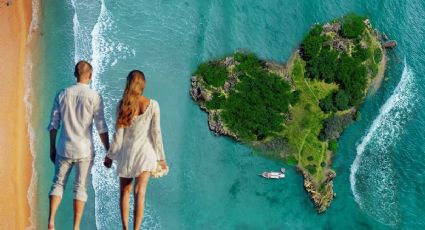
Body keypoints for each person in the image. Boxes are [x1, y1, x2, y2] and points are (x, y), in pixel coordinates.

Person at [47, 61, 110, 230]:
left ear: (75, 74)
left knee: (58, 184)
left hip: (63, 147)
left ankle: (51, 221)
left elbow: (53, 125)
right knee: (80, 188)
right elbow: (101, 127)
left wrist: (52, 147)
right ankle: (76, 227)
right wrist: (108, 151)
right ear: (90, 75)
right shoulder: (94, 97)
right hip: (84, 150)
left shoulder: (62, 94)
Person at [104, 70, 168, 230]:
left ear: (128, 84)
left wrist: (110, 156)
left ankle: (125, 228)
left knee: (125, 192)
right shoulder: (153, 105)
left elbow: (118, 137)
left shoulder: (122, 105)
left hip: (127, 156)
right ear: (143, 85)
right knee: (140, 192)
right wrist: (161, 158)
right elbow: (156, 134)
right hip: (146, 155)